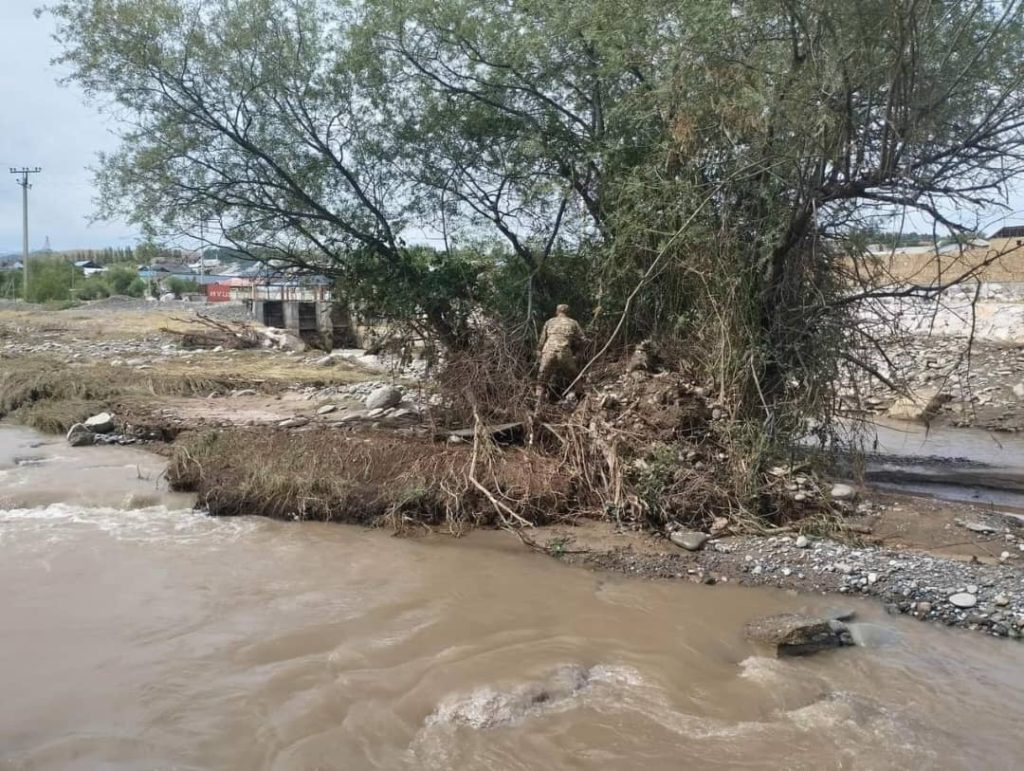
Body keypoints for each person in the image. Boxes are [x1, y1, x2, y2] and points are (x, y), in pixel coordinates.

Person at [536, 304, 585, 402]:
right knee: (575, 376)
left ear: (557, 312)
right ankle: (581, 401)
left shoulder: (549, 322)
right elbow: (582, 339)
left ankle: (537, 405)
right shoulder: (573, 322)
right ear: (568, 313)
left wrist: (539, 351)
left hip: (548, 351)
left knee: (541, 380)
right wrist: (579, 352)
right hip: (564, 352)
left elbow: (542, 340)